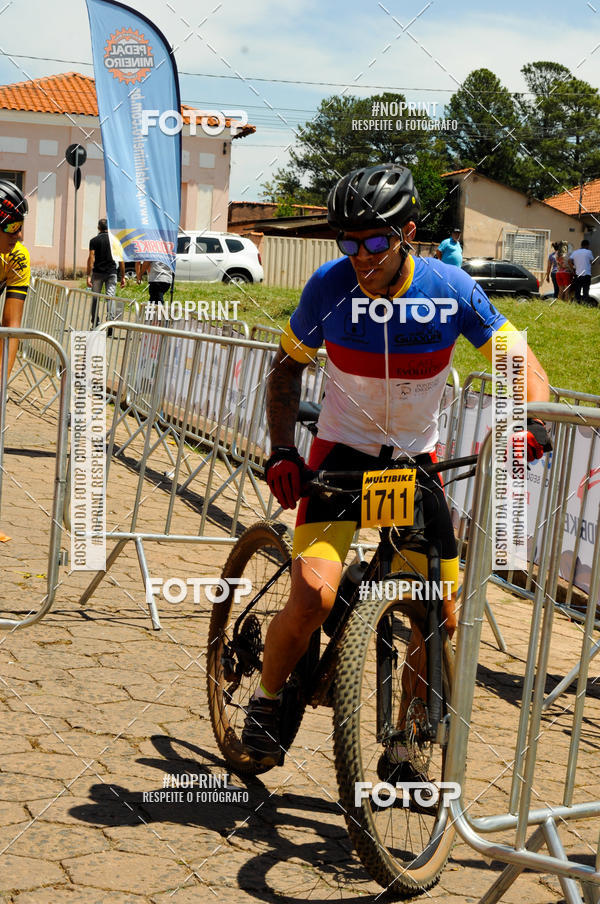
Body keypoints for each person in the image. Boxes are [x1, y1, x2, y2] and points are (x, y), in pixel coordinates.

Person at [241, 162, 552, 769]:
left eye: (375, 241)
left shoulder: (450, 288)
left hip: (414, 464)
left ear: (408, 231)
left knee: (438, 611)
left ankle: (408, 734)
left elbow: (520, 358)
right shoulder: (328, 289)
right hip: (340, 457)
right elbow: (284, 370)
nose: (360, 255)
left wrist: (531, 418)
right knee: (311, 599)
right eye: (348, 242)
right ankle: (267, 697)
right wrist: (282, 449)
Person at [0, 180, 30, 380]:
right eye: (13, 226)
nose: (19, 235)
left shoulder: (17, 257)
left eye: (21, 225)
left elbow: (11, 326)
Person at [87, 218, 125, 327]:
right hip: (112, 273)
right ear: (109, 228)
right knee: (110, 298)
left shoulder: (94, 241)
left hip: (98, 273)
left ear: (98, 227)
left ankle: (95, 322)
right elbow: (121, 260)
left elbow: (91, 258)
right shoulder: (116, 241)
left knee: (95, 298)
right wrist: (122, 277)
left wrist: (88, 275)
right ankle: (110, 322)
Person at [569, 239, 595, 306]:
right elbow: (592, 262)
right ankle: (584, 305)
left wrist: (573, 268)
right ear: (587, 245)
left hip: (578, 275)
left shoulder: (575, 252)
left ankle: (577, 305)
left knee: (577, 291)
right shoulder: (589, 252)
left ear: (581, 245)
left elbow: (569, 261)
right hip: (586, 275)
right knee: (585, 292)